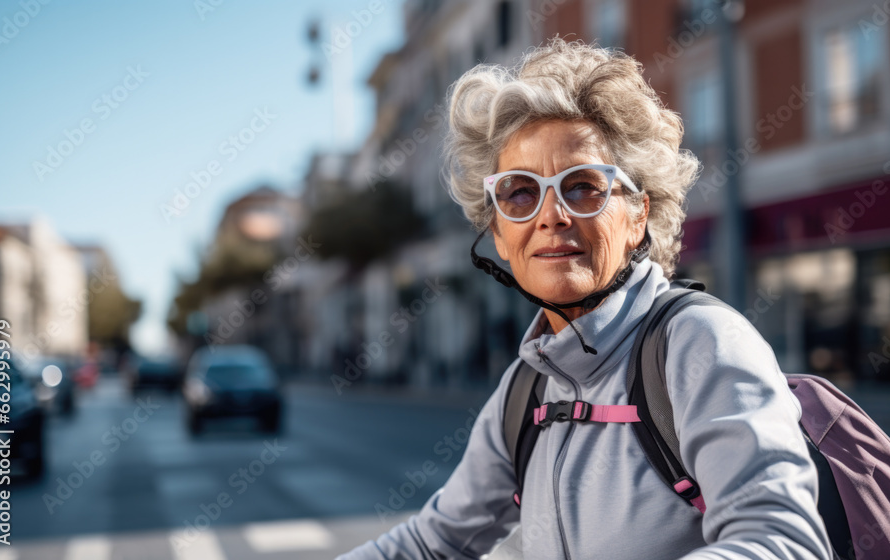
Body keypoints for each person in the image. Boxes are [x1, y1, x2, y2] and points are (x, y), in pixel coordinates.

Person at [339, 38, 831, 560]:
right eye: (521, 192)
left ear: (638, 215)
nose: (551, 215)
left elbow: (781, 543)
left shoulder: (700, 343)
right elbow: (433, 543)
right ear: (500, 235)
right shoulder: (525, 389)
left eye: (582, 186)